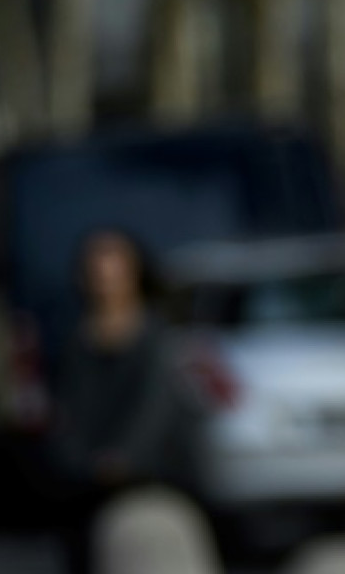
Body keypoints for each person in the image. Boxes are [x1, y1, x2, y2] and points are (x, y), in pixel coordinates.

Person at [49, 229, 198, 573]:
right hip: (85, 490)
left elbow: (155, 410)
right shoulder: (75, 343)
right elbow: (66, 414)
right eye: (96, 265)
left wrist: (123, 459)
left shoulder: (157, 339)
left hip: (152, 484)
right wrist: (78, 462)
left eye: (114, 263)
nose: (105, 275)